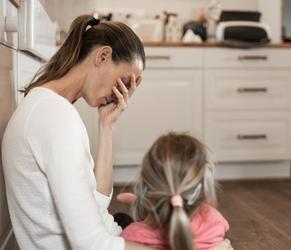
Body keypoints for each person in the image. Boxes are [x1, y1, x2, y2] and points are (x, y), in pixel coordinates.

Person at [1, 14, 149, 250]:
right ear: (103, 55)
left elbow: (96, 204)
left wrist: (106, 126)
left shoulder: (47, 105)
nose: (121, 94)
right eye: (123, 81)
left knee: (128, 222)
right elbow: (90, 243)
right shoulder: (55, 116)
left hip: (94, 235)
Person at [120, 132, 232, 250]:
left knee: (121, 219)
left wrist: (145, 203)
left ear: (144, 186)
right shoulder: (213, 221)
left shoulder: (131, 236)